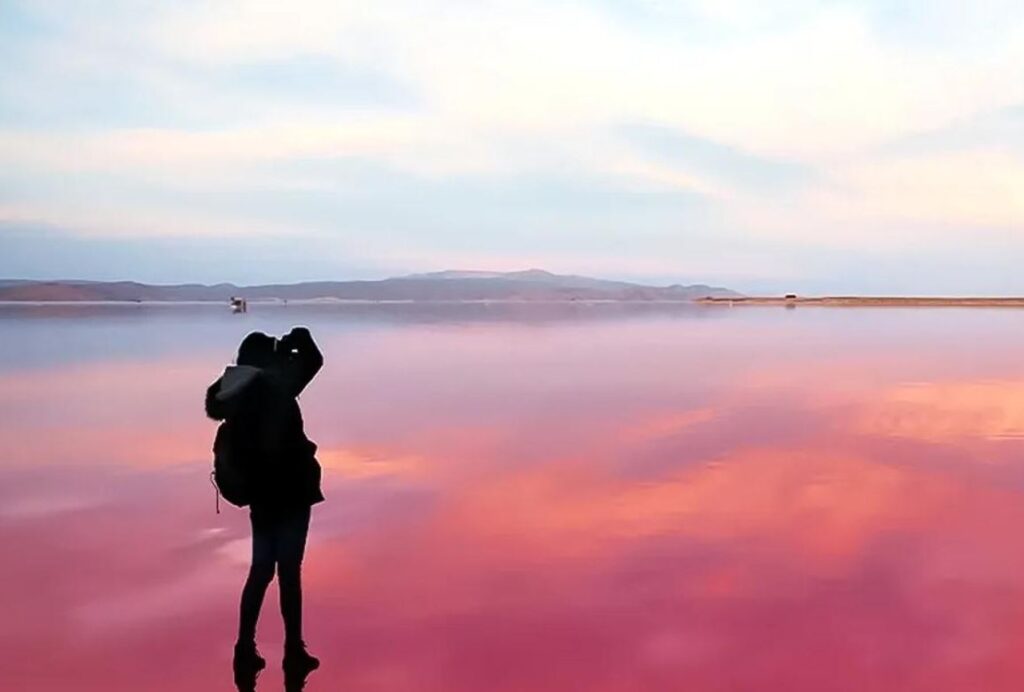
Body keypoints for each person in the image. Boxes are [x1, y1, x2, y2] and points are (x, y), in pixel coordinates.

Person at [205, 327, 325, 677]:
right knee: (289, 573)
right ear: (265, 359)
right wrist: (298, 337)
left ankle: (244, 648)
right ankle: (293, 651)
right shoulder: (276, 386)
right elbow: (314, 360)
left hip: (261, 495)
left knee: (260, 571)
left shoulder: (235, 394)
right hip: (291, 491)